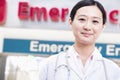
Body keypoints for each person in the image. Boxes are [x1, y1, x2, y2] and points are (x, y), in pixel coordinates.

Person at [38, 0, 120, 80]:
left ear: (103, 26)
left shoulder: (112, 70)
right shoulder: (50, 64)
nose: (87, 27)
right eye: (82, 19)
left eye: (95, 21)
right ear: (70, 22)